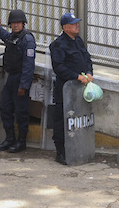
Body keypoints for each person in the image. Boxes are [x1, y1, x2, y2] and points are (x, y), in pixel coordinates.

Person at [50, 12, 93, 165]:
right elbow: (59, 67)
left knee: (78, 118)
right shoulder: (58, 45)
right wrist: (76, 76)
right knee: (62, 119)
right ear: (65, 27)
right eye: (73, 23)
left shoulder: (78, 41)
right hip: (65, 89)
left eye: (77, 23)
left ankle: (77, 148)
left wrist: (89, 73)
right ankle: (61, 152)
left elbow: (87, 59)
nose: (77, 25)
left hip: (80, 88)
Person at [0, 9, 36, 153]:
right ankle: (10, 139)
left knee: (21, 112)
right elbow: (5, 36)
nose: (16, 25)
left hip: (20, 78)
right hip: (11, 78)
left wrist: (24, 85)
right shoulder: (13, 36)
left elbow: (28, 65)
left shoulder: (27, 39)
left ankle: (21, 142)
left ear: (23, 23)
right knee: (5, 108)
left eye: (18, 23)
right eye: (13, 23)